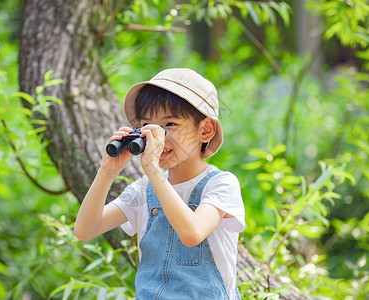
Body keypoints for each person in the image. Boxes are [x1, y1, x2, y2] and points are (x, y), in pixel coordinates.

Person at [74, 68, 245, 299]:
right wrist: (107, 171)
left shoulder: (221, 184)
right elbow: (85, 230)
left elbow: (192, 233)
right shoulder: (143, 189)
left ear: (205, 130)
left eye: (170, 124)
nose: (156, 137)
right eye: (146, 126)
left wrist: (153, 169)